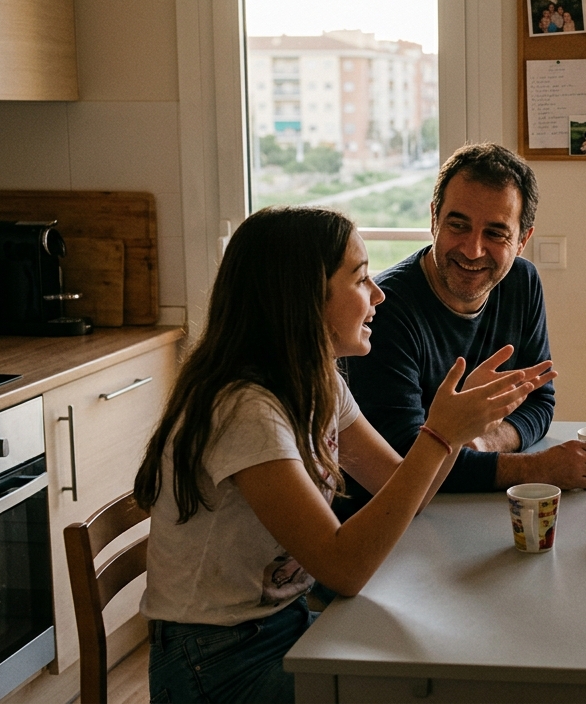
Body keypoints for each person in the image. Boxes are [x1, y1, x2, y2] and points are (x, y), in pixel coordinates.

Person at [135, 207, 551, 703]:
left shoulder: (319, 380)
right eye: (360, 279)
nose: (378, 294)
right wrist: (440, 435)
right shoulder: (244, 409)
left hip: (283, 624)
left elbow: (406, 492)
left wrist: (461, 428)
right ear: (303, 298)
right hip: (216, 660)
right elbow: (344, 569)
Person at [337, 143, 586, 520]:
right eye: (458, 225)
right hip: (395, 523)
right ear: (434, 219)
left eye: (496, 233)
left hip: (478, 510)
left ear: (522, 240)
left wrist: (483, 441)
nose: (473, 249)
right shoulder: (384, 310)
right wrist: (538, 468)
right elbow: (406, 462)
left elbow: (539, 400)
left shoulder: (522, 282)